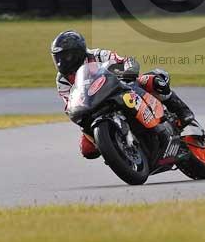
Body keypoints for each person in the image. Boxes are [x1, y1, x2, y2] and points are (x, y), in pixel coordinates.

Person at [51, 30, 195, 159]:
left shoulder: (98, 55)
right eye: (57, 58)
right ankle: (119, 150)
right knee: (87, 149)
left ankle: (182, 110)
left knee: (154, 81)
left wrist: (129, 71)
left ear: (78, 52)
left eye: (66, 56)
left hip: (119, 87)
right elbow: (69, 102)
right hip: (93, 104)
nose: (61, 62)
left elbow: (125, 61)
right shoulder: (62, 79)